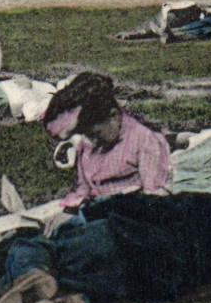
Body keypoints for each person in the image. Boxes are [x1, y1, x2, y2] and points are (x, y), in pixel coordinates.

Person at [0, 193, 211, 303]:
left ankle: (34, 274)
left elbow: (131, 204)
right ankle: (72, 302)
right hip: (157, 277)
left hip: (119, 241)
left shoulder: (201, 204)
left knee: (31, 243)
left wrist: (87, 212)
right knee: (102, 281)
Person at [43, 72, 170, 209]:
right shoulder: (89, 142)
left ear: (113, 116)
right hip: (95, 210)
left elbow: (155, 201)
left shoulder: (145, 139)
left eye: (96, 134)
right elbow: (84, 187)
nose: (92, 142)